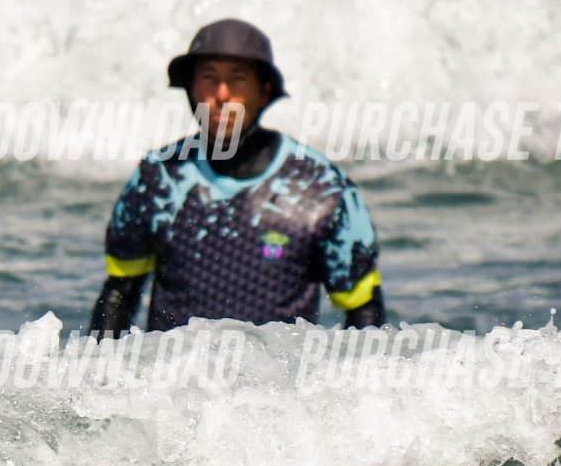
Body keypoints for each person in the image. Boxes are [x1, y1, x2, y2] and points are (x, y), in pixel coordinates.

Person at [92, 19, 384, 337]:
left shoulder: (320, 186)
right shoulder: (158, 176)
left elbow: (363, 309)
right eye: (208, 77)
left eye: (238, 79)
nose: (222, 93)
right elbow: (120, 293)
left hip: (280, 371)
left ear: (264, 92)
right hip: (171, 370)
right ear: (190, 88)